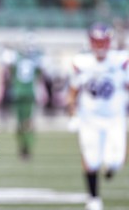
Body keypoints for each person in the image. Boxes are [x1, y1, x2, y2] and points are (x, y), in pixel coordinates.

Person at [67, 22, 129, 210]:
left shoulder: (120, 61)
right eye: (96, 42)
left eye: (102, 42)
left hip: (115, 118)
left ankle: (110, 170)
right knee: (91, 159)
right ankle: (93, 198)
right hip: (90, 119)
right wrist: (73, 112)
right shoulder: (82, 62)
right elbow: (73, 91)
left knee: (116, 161)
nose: (100, 46)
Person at [0, 45, 42, 160]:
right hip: (28, 94)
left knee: (20, 123)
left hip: (18, 93)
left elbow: (8, 72)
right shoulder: (35, 59)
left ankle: (23, 148)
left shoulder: (15, 58)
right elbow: (39, 74)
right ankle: (26, 147)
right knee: (27, 123)